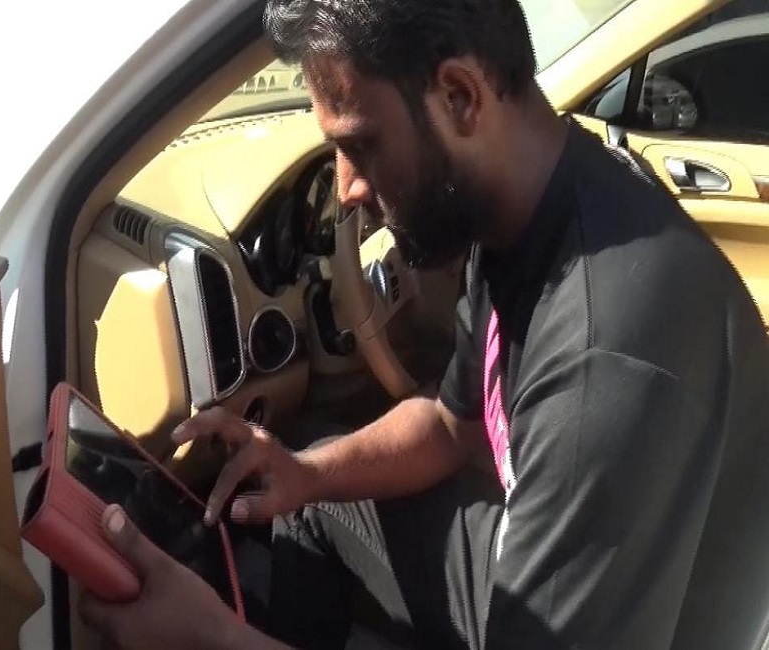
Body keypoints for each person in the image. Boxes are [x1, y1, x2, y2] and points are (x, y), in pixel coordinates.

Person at [80, 0, 769, 648]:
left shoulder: (604, 355)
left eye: (361, 144)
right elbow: (450, 424)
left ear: (460, 97)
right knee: (306, 490)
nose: (347, 188)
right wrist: (303, 473)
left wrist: (212, 638)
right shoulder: (519, 212)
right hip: (535, 566)